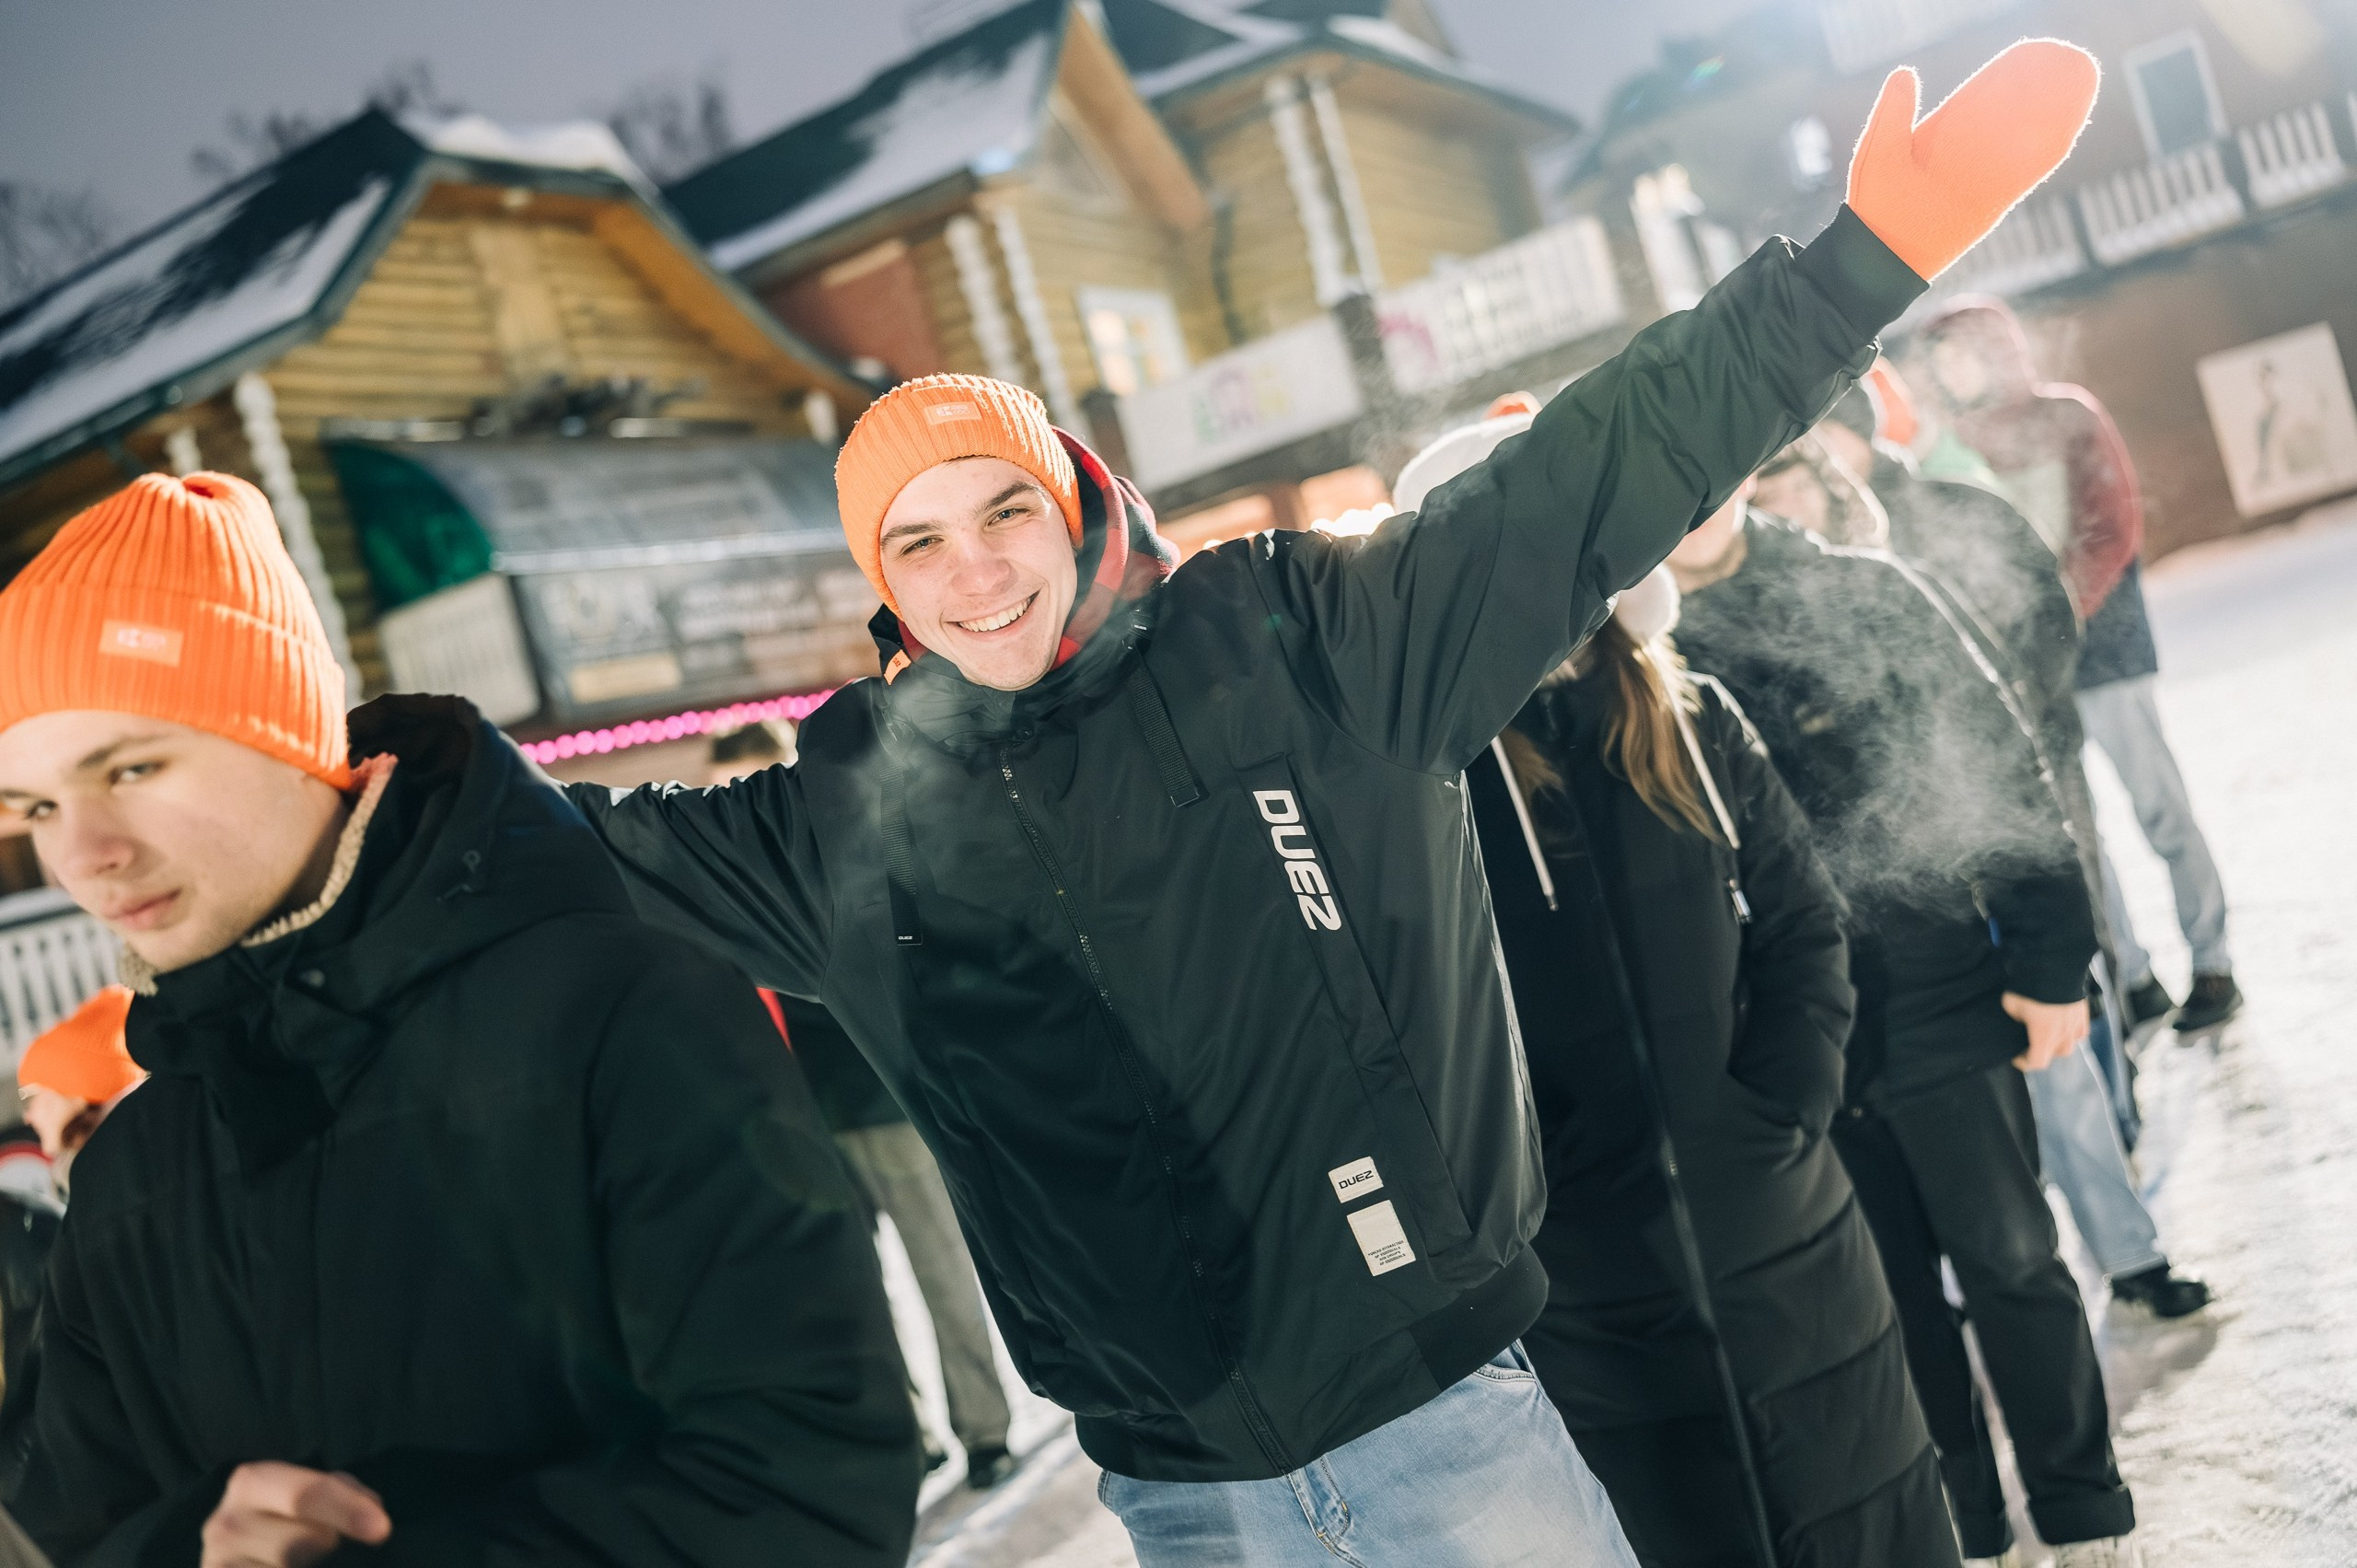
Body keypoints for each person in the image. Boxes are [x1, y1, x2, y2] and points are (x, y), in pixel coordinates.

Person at [559, 43, 2100, 1566]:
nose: (974, 569)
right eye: (918, 543)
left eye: (1004, 506)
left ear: (1078, 502)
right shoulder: (840, 817)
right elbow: (535, 876)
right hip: (1180, 1496)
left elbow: (1585, 472)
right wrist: (347, 773)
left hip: (1455, 1427)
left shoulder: (1292, 640)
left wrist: (1851, 269)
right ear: (879, 582)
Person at [0, 473, 923, 1566]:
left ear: (288, 734)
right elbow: (78, 1536)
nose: (84, 854)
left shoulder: (618, 1010)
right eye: (37, 806)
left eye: (134, 766)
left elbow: (811, 1490)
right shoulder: (126, 1176)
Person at [1405, 414, 1956, 1566]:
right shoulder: (1418, 788)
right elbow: (1402, 1022)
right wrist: (1521, 1184)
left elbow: (1802, 922)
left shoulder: (1690, 715)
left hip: (1782, 1223)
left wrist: (1788, 1096)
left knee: (1868, 1523)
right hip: (1592, 1274)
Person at [1666, 493, 2142, 1566]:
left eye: (1709, 486)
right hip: (1787, 1046)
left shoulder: (1861, 589)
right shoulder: (1639, 659)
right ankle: (1967, 1531)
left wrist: (2050, 956)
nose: (1690, 513)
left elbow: (1999, 765)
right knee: (1881, 1311)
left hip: (1936, 995)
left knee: (2014, 1261)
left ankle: (2084, 1512)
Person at [1805, 386, 2210, 1319]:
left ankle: (2130, 1250)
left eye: (1816, 443)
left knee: (2062, 1030)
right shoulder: (1800, 570)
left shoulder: (1955, 516)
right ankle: (2004, 1273)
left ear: (1856, 440)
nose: (1802, 471)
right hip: (1904, 874)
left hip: (2013, 812)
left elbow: (2044, 624)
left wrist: (2017, 744)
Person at [709, 724, 1017, 1492]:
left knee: (941, 1270)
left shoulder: (846, 847)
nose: (744, 803)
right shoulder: (728, 880)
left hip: (883, 1100)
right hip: (796, 1118)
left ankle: (985, 1430)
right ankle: (906, 1437)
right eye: (730, 787)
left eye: (755, 780)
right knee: (852, 1294)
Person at [1920, 296, 2240, 1033]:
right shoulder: (1956, 445)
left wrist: (2058, 605)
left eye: (1961, 353)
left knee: (2158, 804)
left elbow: (2113, 521)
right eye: (1942, 362)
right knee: (2076, 830)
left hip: (2105, 643)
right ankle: (2131, 972)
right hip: (2031, 667)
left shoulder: (2068, 414)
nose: (1952, 371)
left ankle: (2213, 957)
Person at [15, 986, 142, 1174]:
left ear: (74, 1089)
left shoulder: (109, 1170)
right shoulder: (126, 1146)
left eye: (31, 1098)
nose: (28, 1117)